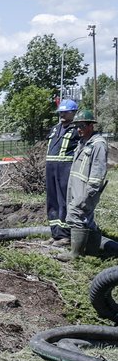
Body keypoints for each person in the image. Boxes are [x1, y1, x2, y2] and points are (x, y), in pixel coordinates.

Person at [64, 110, 107, 257]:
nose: (78, 129)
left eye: (82, 125)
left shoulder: (98, 144)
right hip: (76, 187)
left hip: (87, 189)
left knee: (76, 214)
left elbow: (98, 170)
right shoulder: (83, 142)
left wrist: (90, 192)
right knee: (86, 218)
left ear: (91, 126)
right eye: (77, 126)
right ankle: (92, 252)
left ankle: (76, 254)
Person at [45, 98, 81, 242]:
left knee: (64, 200)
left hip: (65, 169)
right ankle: (55, 233)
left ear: (73, 113)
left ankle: (65, 234)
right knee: (52, 200)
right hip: (51, 168)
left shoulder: (77, 129)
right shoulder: (55, 128)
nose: (62, 115)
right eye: (61, 112)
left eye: (66, 112)